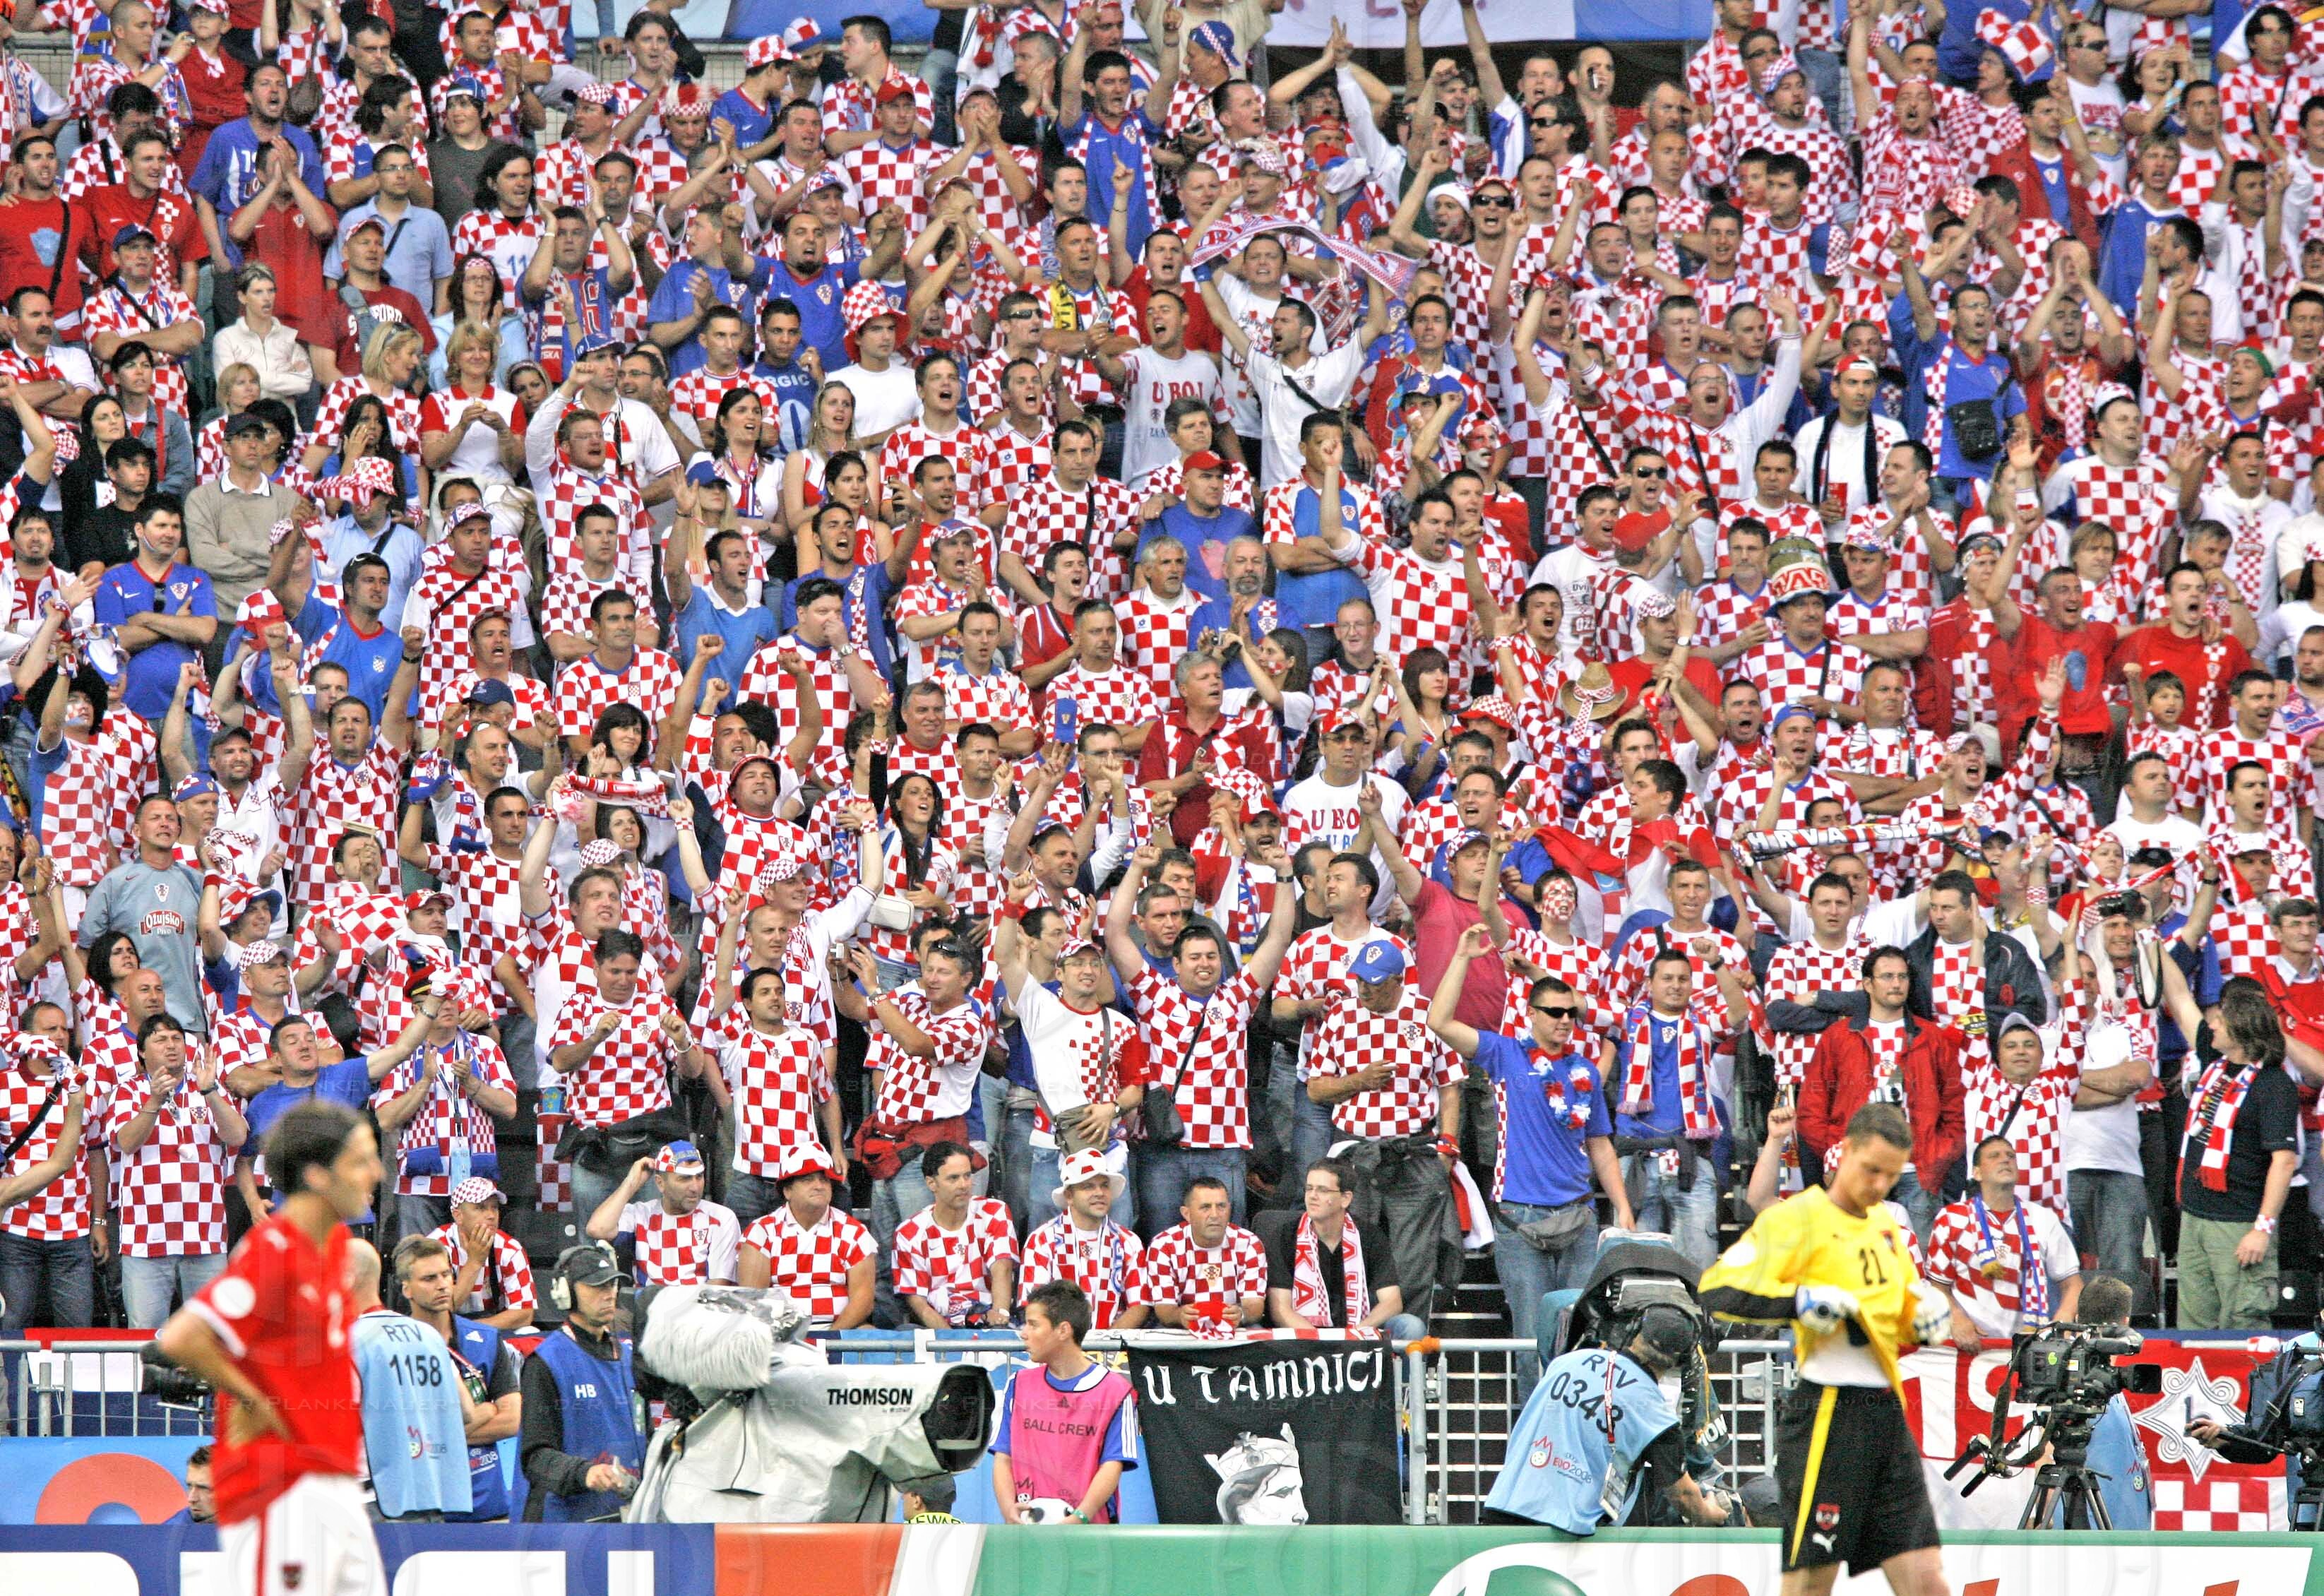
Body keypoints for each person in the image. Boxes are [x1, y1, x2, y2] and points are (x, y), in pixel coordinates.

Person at [1699, 1103, 1953, 1596]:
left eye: (1891, 1175)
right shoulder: (1797, 1218)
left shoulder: (1885, 1226)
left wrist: (1925, 1319)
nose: (1879, 1185)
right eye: (1871, 1170)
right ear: (1846, 1153)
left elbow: (1899, 1311)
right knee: (1812, 1580)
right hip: (1829, 1412)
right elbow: (1717, 1289)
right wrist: (1797, 1301)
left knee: (1927, 1581)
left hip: (1886, 1412)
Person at [153, 1100, 386, 1596]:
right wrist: (256, 1400)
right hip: (279, 1485)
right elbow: (182, 1336)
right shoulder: (274, 1250)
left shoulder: (330, 1246)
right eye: (361, 1160)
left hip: (332, 1477)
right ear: (319, 1176)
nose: (377, 1172)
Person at [1430, 929, 1634, 1354]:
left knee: (1581, 1341)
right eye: (1554, 1012)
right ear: (1531, 1014)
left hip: (1579, 1217)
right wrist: (1462, 957)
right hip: (1519, 1219)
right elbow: (1440, 1023)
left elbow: (1600, 1145)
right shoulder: (1505, 1054)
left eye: (1570, 1013)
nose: (1564, 1020)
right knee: (1532, 1340)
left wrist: (1623, 1208)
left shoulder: (1585, 1071)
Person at [1482, 1302, 1735, 1532]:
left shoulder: (1566, 1362)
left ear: (1634, 1333)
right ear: (1682, 1360)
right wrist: (1709, 1514)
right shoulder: (1656, 1415)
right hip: (1563, 1533)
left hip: (1501, 1511)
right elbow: (1683, 1496)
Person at [393, 1233, 524, 1524]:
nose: (442, 1284)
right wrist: (485, 1411)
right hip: (426, 1513)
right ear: (407, 1289)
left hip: (490, 1508)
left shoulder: (486, 1339)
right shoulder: (394, 1349)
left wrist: (437, 1436)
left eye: (446, 1274)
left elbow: (512, 1420)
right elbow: (404, 1440)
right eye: (429, 1279)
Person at [990, 1279, 1140, 1524]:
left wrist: (1079, 1517)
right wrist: (1009, 1511)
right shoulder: (1017, 1384)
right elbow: (1003, 1457)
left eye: (1033, 1324)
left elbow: (1113, 1464)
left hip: (1089, 1533)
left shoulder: (1116, 1392)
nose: (1024, 1333)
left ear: (1063, 1330)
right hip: (1027, 1530)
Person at [347, 1237, 476, 1521]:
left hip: (375, 1501)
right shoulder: (428, 1335)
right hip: (431, 1495)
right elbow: (467, 1411)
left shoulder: (349, 1342)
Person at [519, 1241, 641, 1522]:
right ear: (565, 1293)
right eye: (597, 1286)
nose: (609, 1294)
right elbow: (536, 1458)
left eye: (612, 1285)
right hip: (564, 1524)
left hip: (624, 1516)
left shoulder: (629, 1358)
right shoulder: (546, 1362)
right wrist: (585, 1473)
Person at [1925, 1135, 2082, 1345]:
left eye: (2011, 1156)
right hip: (1969, 1347)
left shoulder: (2043, 1219)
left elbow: (2073, 1284)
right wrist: (1957, 1318)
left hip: (2026, 1345)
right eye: (1994, 1156)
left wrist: (2063, 1318)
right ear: (1977, 1173)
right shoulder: (1952, 1218)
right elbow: (1936, 1286)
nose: (2005, 1160)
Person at [1257, 1155, 1424, 1338]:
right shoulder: (1284, 1236)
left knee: (1411, 1326)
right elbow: (1280, 1309)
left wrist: (1355, 1335)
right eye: (1309, 1188)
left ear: (1345, 1199)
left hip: (1359, 1334)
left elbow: (1391, 1302)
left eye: (1322, 1190)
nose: (1312, 1196)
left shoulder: (1370, 1236)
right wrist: (1323, 1341)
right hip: (1303, 1339)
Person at [581, 1139, 741, 1287]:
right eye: (684, 1179)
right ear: (660, 1183)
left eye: (699, 1177)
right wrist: (631, 1183)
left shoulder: (721, 1218)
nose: (695, 1187)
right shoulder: (641, 1214)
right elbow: (597, 1229)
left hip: (697, 1306)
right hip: (647, 1305)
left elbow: (717, 1287)